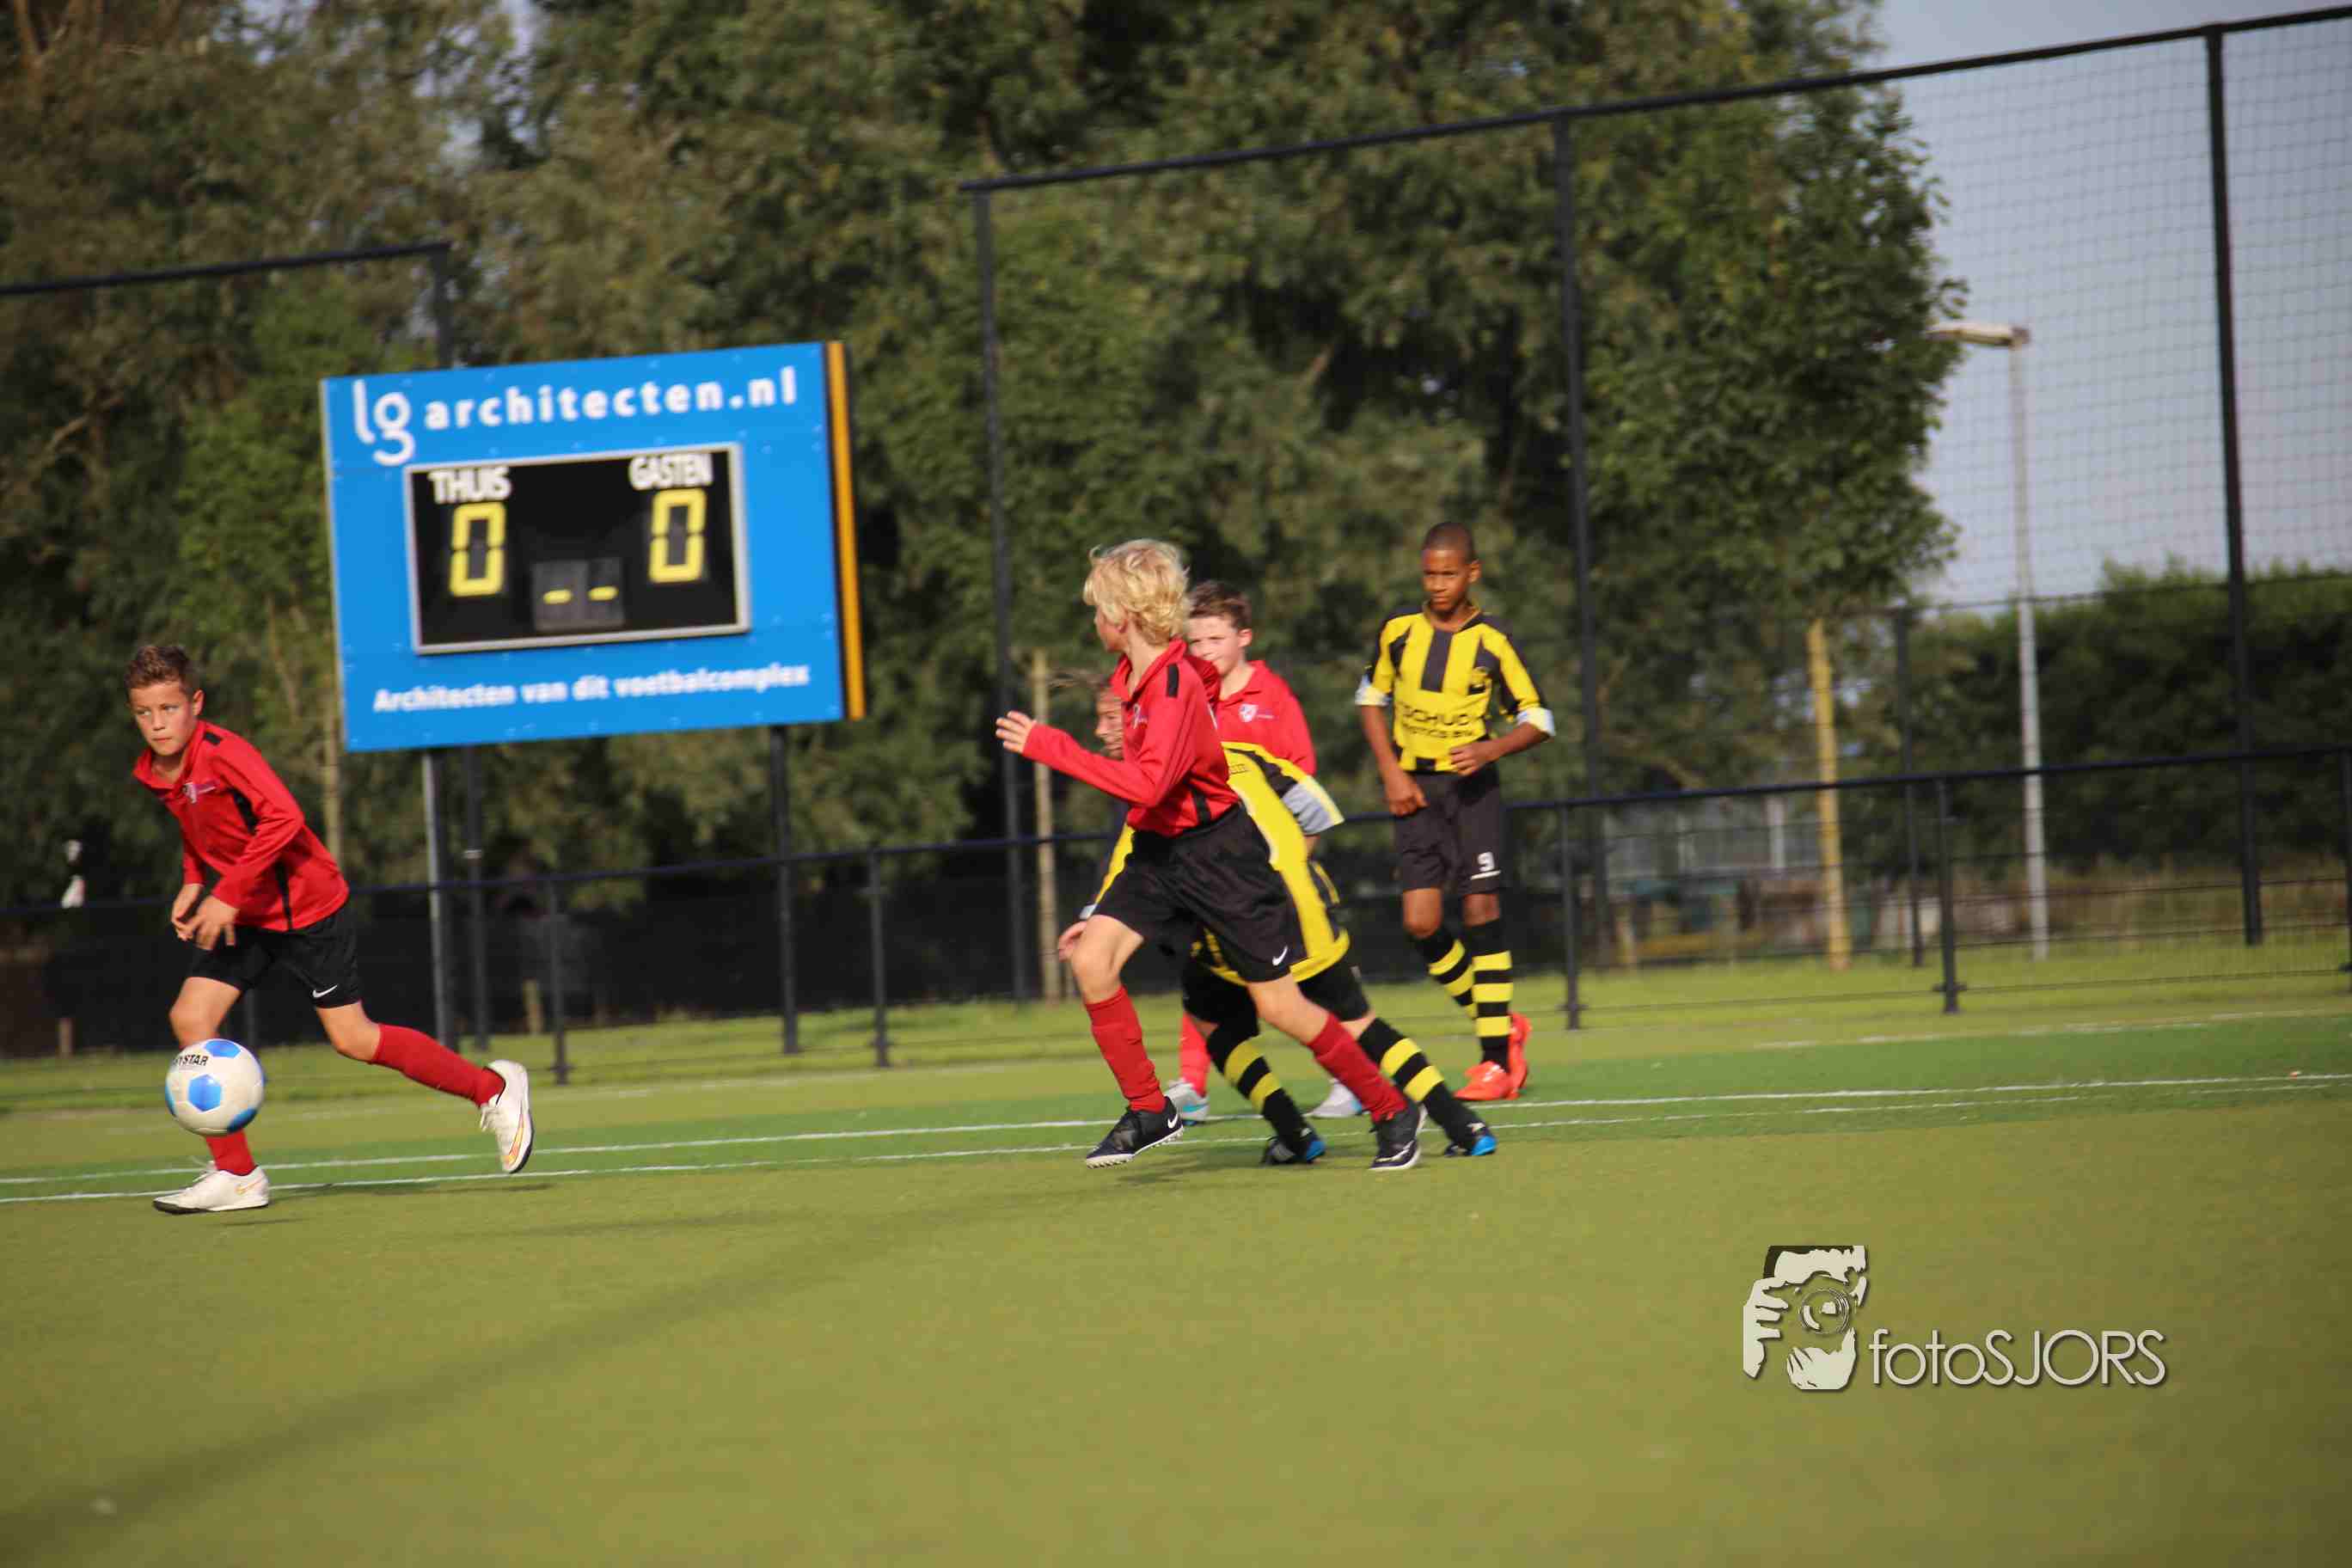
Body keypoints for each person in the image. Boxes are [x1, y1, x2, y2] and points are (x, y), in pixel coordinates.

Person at [995, 539, 1423, 1171]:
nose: (1094, 622)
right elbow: (1152, 800)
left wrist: (1051, 747)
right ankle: (1150, 1109)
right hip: (1159, 854)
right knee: (1091, 960)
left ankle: (1390, 1110)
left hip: (1221, 859)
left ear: (1124, 616)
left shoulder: (1171, 686)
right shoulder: (1131, 678)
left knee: (1280, 1007)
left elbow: (1148, 785)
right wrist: (1101, 909)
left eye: (1098, 610)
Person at [126, 644, 534, 1213]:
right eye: (144, 712)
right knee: (191, 1017)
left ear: (196, 703)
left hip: (307, 907)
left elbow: (284, 818)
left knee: (354, 1039)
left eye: (169, 709)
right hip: (247, 912)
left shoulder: (224, 753)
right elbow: (198, 827)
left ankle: (493, 1088)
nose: (157, 724)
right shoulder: (152, 770)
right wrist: (194, 881)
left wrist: (226, 894)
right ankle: (237, 1175)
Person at [1066, 735, 1498, 1163]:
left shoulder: (1158, 784)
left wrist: (1271, 872)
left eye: (1114, 716)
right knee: (1275, 1020)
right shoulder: (1248, 758)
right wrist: (1287, 863)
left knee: (1316, 1020)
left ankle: (1333, 1126)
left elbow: (1127, 863)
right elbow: (1320, 812)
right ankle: (1456, 1124)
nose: (1105, 729)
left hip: (1254, 918)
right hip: (1264, 913)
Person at [1357, 523, 1554, 1101]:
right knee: (1420, 923)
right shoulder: (1398, 631)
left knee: (1479, 907)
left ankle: (1495, 1062)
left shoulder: (1494, 640)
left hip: (1472, 792)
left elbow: (1540, 719)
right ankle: (1501, 1022)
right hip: (1415, 791)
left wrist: (1492, 749)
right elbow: (1370, 700)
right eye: (1429, 574)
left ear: (1473, 573)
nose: (1437, 585)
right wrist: (1392, 772)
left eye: (1448, 574)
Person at [1155, 580, 1321, 1124]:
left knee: (1303, 981)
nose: (1204, 651)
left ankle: (1348, 1076)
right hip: (1212, 866)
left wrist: (1294, 863)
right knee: (1200, 968)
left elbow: (1305, 787)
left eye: (1215, 639)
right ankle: (1193, 1085)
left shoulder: (1273, 698)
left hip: (1269, 870)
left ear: (1244, 637)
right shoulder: (1189, 697)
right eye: (1195, 641)